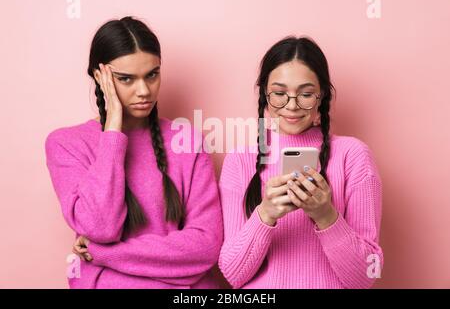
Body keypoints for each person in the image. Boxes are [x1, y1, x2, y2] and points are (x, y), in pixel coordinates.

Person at [45, 16, 223, 288]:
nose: (144, 91)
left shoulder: (187, 140)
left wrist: (105, 254)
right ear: (99, 77)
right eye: (126, 79)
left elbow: (206, 246)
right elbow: (100, 227)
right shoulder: (66, 144)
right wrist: (113, 133)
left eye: (152, 74)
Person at [218, 36, 383, 289]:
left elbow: (365, 277)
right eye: (280, 94)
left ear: (322, 96)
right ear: (265, 94)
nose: (292, 106)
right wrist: (266, 214)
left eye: (305, 94)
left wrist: (325, 215)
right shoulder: (240, 161)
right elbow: (232, 274)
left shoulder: (353, 156)